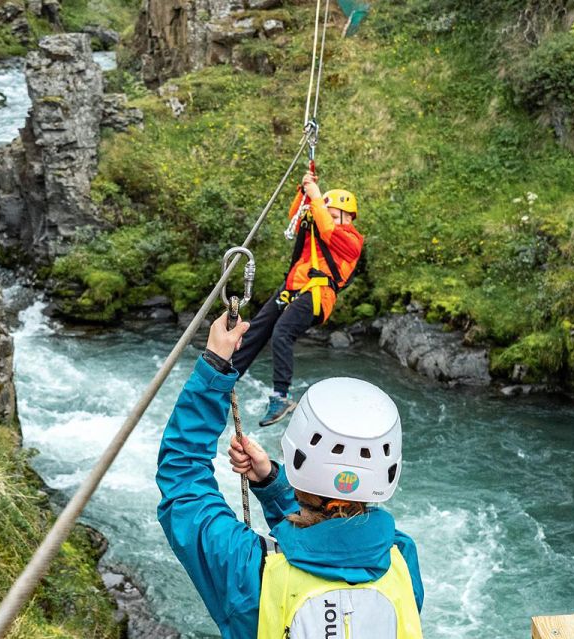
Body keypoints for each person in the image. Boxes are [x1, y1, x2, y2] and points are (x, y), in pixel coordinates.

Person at [156, 314, 424, 638]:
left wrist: (214, 365)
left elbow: (182, 477)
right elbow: (331, 541)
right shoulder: (401, 559)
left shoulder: (250, 569)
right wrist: (271, 483)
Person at [232, 171, 365, 426]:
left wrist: (317, 198)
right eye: (330, 215)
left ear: (348, 217)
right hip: (293, 288)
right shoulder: (315, 230)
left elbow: (329, 231)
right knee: (259, 328)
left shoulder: (351, 240)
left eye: (337, 215)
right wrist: (304, 191)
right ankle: (229, 376)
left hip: (318, 293)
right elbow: (297, 218)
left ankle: (280, 395)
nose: (332, 220)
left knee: (282, 332)